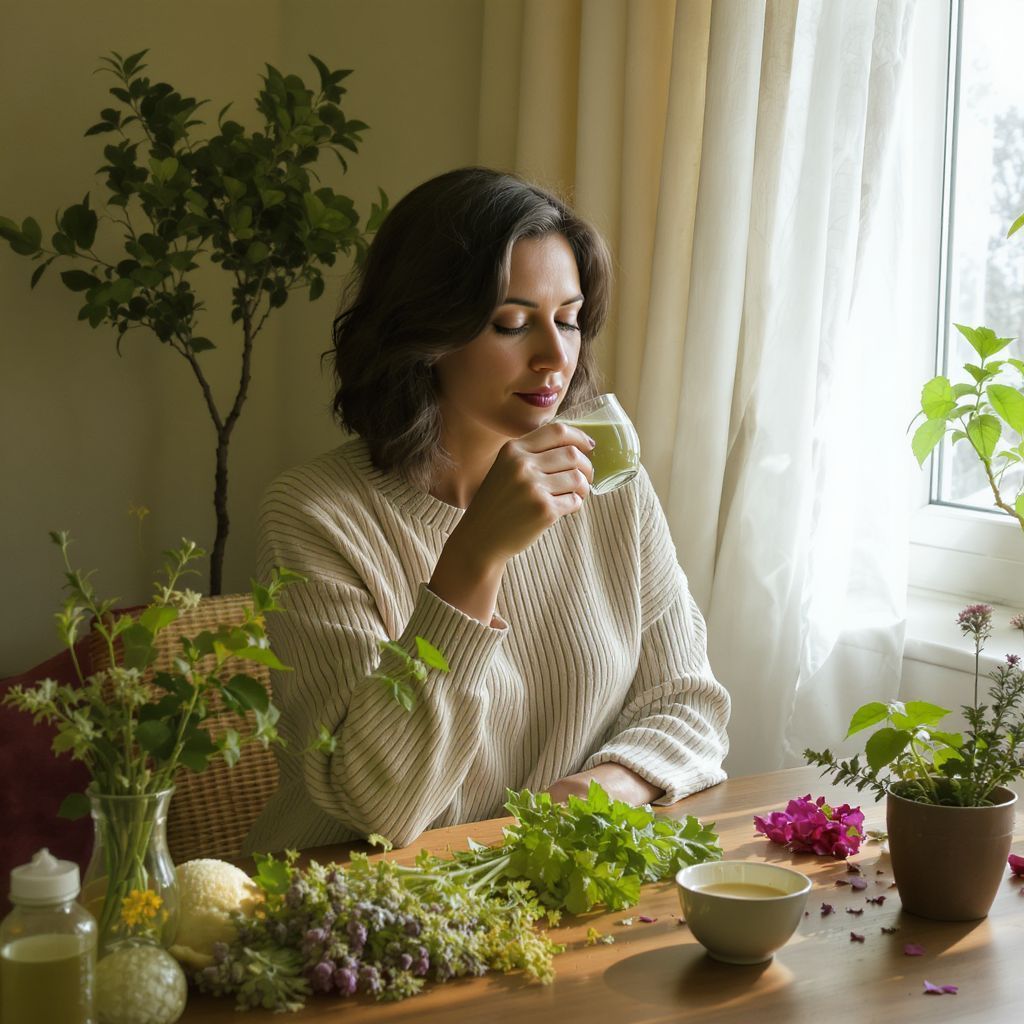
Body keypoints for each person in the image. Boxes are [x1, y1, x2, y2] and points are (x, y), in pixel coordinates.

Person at [243, 167, 730, 854]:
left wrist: (598, 790)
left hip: (539, 892)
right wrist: (474, 558)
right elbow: (379, 806)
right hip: (358, 908)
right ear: (428, 332)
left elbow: (689, 703)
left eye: (568, 320)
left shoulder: (610, 485)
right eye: (511, 323)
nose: (554, 357)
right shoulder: (316, 514)